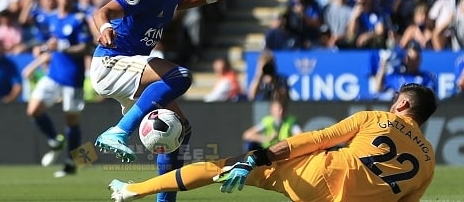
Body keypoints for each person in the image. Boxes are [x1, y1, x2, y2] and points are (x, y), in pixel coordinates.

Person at [90, 0, 235, 202]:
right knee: (179, 76)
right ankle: (119, 131)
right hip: (111, 63)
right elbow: (102, 12)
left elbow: (178, 2)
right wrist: (106, 28)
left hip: (131, 70)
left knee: (180, 129)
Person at [108, 83, 438, 202]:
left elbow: (316, 139)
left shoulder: (378, 118)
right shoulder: (428, 164)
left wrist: (259, 157)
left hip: (313, 179)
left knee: (220, 168)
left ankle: (132, 190)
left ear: (404, 105)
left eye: (397, 100)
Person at [25, 0, 91, 178]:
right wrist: (42, 49)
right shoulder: (52, 18)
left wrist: (63, 47)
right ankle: (55, 141)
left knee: (71, 121)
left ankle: (72, 163)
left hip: (73, 78)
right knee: (33, 109)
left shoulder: (78, 19)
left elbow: (85, 48)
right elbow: (48, 42)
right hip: (53, 75)